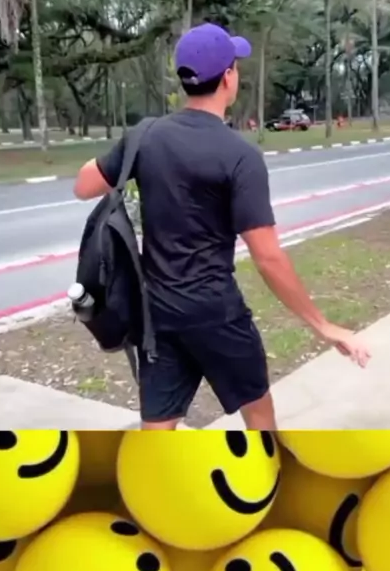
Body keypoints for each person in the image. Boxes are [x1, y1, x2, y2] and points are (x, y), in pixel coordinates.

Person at [74, 23, 370, 430]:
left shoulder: (146, 137)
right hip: (217, 315)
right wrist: (323, 325)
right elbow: (267, 257)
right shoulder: (239, 156)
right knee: (259, 417)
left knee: (157, 432)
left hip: (159, 315)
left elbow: (83, 186)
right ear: (228, 77)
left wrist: (130, 157)